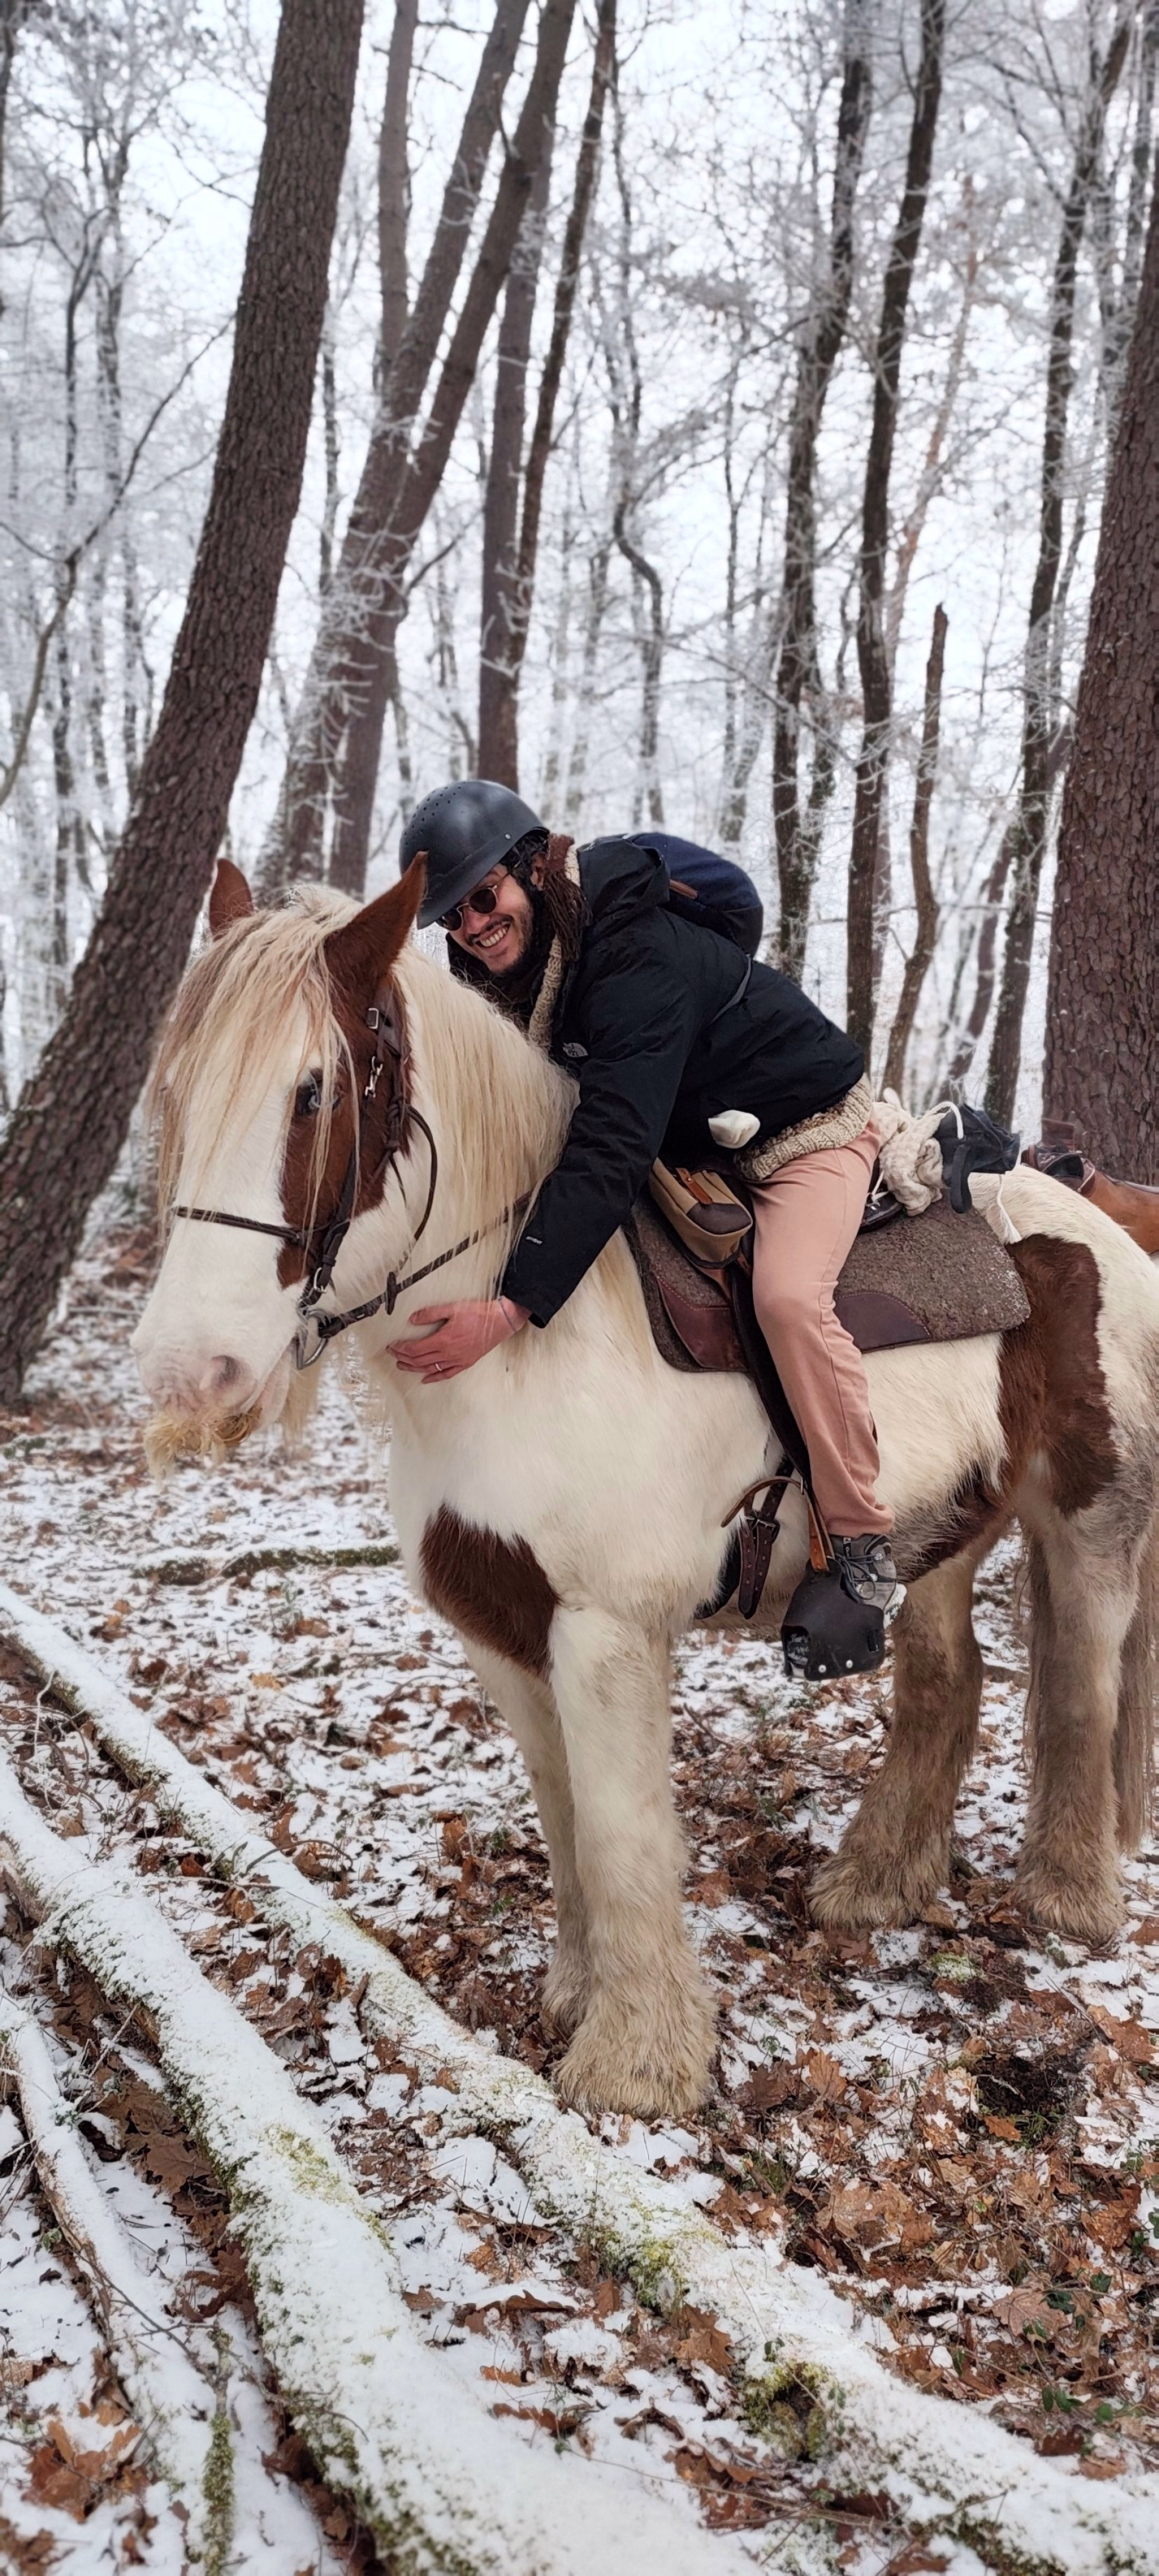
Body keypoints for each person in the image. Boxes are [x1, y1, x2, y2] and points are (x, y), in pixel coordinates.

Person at [394, 778, 896, 1620]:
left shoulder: (632, 958)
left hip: (804, 1127)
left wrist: (514, 1304)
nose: (472, 927)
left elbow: (611, 1141)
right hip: (698, 1134)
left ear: (530, 870)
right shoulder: (508, 973)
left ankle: (860, 1539)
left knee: (786, 1299)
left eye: (482, 897)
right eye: (453, 917)